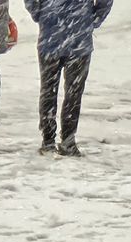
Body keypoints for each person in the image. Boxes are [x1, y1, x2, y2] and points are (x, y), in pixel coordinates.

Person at [24, 0, 113, 157]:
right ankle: (68, 141)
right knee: (73, 93)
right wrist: (93, 19)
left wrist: (39, 13)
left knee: (48, 90)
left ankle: (48, 140)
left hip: (51, 32)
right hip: (78, 35)